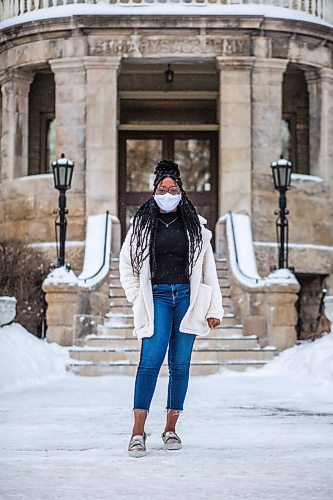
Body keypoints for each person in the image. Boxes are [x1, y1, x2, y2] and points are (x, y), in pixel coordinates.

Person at [119, 159, 224, 458]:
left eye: (173, 188)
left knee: (180, 365)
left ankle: (170, 429)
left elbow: (208, 270)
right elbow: (126, 264)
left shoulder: (196, 227)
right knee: (150, 361)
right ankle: (138, 431)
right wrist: (135, 298)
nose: (168, 193)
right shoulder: (140, 225)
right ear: (154, 191)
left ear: (181, 191)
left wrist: (213, 307)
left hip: (188, 299)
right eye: (162, 188)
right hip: (157, 297)